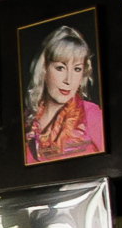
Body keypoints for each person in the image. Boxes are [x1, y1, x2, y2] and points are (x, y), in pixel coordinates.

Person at [23, 24, 104, 163]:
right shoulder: (26, 121)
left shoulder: (91, 114)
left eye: (77, 69)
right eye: (60, 68)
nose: (68, 80)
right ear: (44, 69)